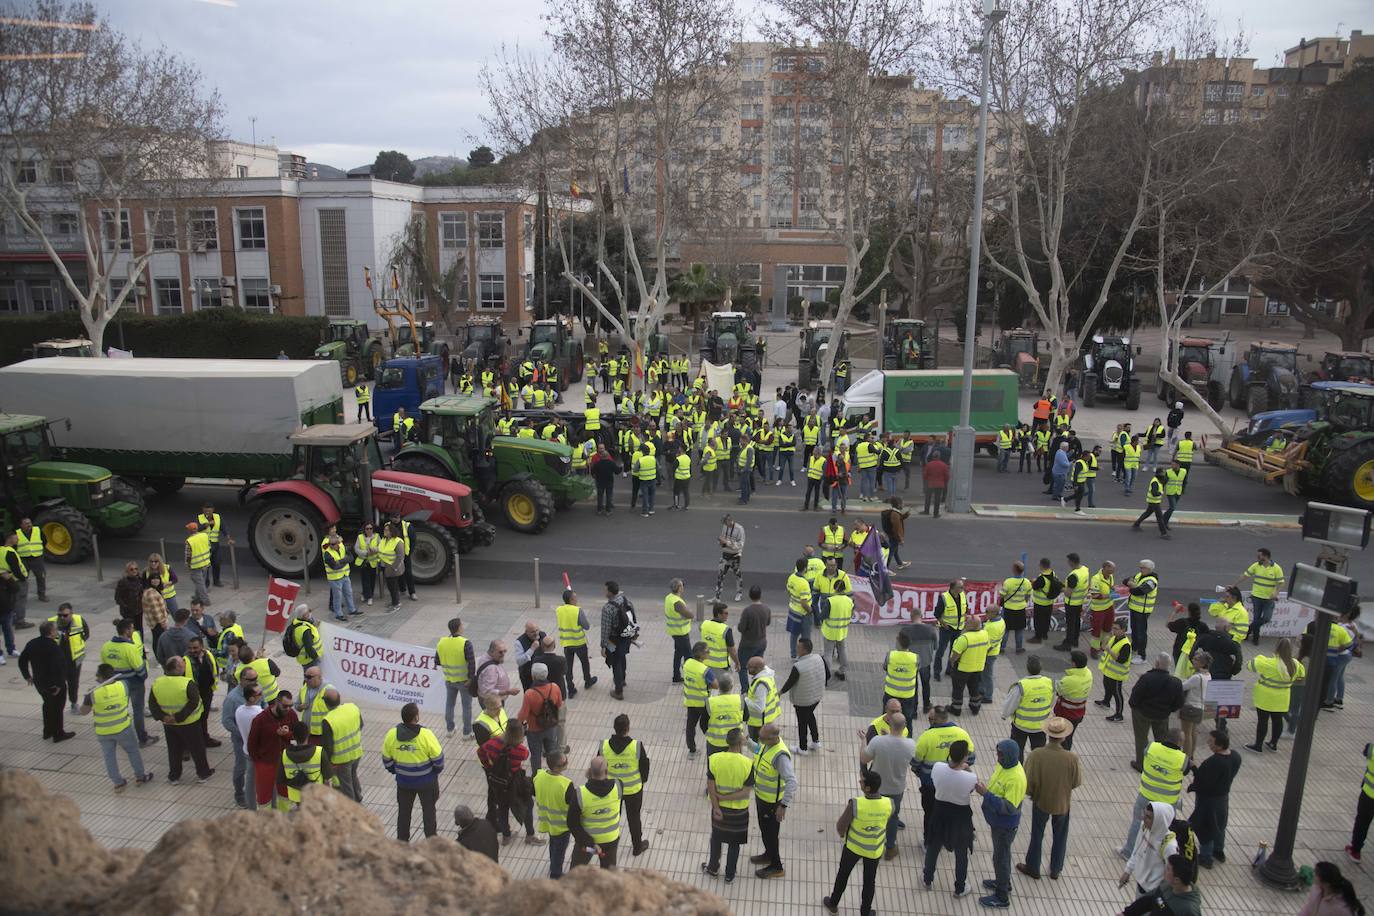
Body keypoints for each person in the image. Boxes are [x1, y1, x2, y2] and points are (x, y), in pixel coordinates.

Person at [1017, 716, 1081, 881]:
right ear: (1064, 737)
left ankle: (1033, 867)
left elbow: (1028, 781)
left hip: (1041, 801)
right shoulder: (1072, 758)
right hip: (1062, 803)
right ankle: (1056, 869)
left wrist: (1033, 793)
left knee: (1037, 834)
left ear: (1047, 734)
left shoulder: (1036, 755)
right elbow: (1076, 782)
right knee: (1060, 836)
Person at [923, 738, 977, 898]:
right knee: (961, 854)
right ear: (965, 757)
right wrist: (966, 769)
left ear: (950, 754)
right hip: (960, 817)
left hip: (940, 812)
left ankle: (927, 879)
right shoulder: (970, 778)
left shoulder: (938, 768)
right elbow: (971, 789)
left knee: (933, 847)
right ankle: (960, 887)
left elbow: (936, 780)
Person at [384, 702, 445, 842]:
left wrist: (398, 772)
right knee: (429, 813)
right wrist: (433, 773)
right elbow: (439, 760)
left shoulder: (392, 734)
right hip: (426, 782)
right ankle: (431, 843)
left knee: (404, 813)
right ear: (416, 717)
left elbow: (386, 760)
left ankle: (402, 843)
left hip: (403, 782)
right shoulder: (426, 735)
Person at [977, 738, 1027, 909]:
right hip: (997, 822)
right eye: (998, 753)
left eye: (1000, 755)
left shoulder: (1016, 778)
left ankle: (1002, 896)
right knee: (1001, 856)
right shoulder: (1004, 765)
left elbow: (1009, 808)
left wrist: (986, 794)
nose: (997, 757)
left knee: (1001, 859)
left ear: (1009, 756)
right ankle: (1003, 882)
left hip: (1005, 825)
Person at [1122, 729, 1187, 857]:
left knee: (1138, 822)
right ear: (1180, 741)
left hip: (1146, 796)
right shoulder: (1183, 759)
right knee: (1165, 829)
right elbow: (1185, 770)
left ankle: (1128, 851)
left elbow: (1145, 755)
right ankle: (1160, 856)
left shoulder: (1151, 747)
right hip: (1167, 803)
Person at [859, 711, 914, 861]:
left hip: (878, 787)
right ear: (904, 726)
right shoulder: (911, 745)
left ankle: (869, 843)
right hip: (897, 788)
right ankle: (890, 848)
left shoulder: (877, 741)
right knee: (893, 816)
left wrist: (864, 741)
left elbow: (864, 758)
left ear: (889, 724)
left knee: (873, 813)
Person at [149, 656, 214, 783]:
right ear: (177, 668)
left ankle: (174, 776)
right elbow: (194, 702)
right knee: (197, 749)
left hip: (168, 724)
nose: (185, 663)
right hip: (189, 723)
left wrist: (163, 717)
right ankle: (203, 773)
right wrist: (178, 717)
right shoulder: (187, 683)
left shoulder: (157, 683)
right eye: (182, 663)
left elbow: (152, 704)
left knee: (173, 749)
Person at [1189, 729, 1240, 868]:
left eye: (1211, 741)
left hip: (1208, 800)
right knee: (1219, 825)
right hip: (1223, 797)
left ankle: (1206, 857)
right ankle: (1218, 851)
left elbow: (1202, 781)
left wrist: (1194, 767)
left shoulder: (1213, 762)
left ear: (1219, 745)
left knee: (1205, 827)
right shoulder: (1235, 756)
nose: (1208, 743)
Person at [1129, 653, 1184, 770]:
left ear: (1157, 663)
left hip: (1142, 713)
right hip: (1162, 715)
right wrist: (1169, 710)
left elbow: (1135, 696)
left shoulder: (1147, 678)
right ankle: (1161, 762)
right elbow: (1179, 703)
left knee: (1141, 738)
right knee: (1162, 739)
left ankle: (1141, 764)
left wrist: (1135, 707)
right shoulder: (1176, 682)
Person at [21, 620, 73, 740]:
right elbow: (59, 667)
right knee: (57, 707)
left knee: (47, 705)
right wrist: (59, 684)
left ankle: (47, 731)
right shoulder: (53, 647)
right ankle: (58, 734)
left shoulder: (32, 643)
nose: (57, 631)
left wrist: (27, 675)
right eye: (55, 629)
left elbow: (22, 660)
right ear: (51, 632)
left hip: (40, 682)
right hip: (53, 684)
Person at [248, 689, 298, 811]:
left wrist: (287, 734)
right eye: (285, 706)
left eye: (290, 706)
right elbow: (252, 744)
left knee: (285, 793)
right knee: (264, 797)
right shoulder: (260, 719)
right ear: (276, 702)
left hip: (285, 762)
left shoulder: (291, 715)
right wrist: (259, 762)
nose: (288, 709)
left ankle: (284, 817)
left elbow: (297, 736)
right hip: (265, 763)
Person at [570, 755, 622, 869]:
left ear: (589, 771)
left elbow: (572, 823)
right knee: (608, 872)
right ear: (607, 771)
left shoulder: (580, 793)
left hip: (587, 842)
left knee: (576, 871)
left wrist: (589, 843)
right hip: (611, 839)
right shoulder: (618, 786)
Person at [780, 636, 827, 753]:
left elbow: (789, 683)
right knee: (810, 716)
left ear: (804, 650)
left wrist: (779, 692)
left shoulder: (798, 667)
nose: (796, 649)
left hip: (803, 701)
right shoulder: (819, 658)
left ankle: (802, 748)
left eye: (798, 647)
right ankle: (816, 741)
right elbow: (828, 675)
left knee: (802, 723)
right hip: (816, 697)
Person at [1120, 802, 1178, 897]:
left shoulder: (1169, 846)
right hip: (1141, 884)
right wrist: (1128, 871)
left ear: (1159, 821)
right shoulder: (1144, 827)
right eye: (1144, 814)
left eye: (1148, 817)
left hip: (1155, 892)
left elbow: (1172, 873)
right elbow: (1137, 849)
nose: (1143, 818)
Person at [1003, 654, 1054, 758]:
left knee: (1017, 752)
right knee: (1038, 755)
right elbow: (1051, 701)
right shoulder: (1049, 682)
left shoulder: (1021, 685)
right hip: (1040, 727)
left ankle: (1020, 768)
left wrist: (1004, 715)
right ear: (1040, 668)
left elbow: (1011, 703)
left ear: (1027, 668)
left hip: (1021, 726)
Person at [532, 753, 575, 876]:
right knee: (559, 851)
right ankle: (556, 875)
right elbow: (573, 805)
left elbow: (534, 792)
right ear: (556, 767)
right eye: (565, 762)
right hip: (561, 825)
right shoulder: (566, 784)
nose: (567, 763)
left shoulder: (539, 775)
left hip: (547, 820)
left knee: (553, 844)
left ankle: (553, 866)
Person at [222, 666, 259, 808]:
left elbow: (263, 706)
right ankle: (239, 794)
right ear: (242, 680)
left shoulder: (257, 690)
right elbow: (227, 721)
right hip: (241, 740)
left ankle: (253, 791)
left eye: (256, 679)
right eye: (251, 679)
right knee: (241, 766)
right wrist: (243, 732)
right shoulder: (232, 698)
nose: (255, 681)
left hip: (257, 739)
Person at [319, 687, 364, 802]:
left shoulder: (328, 720)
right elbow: (361, 725)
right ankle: (358, 797)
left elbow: (328, 746)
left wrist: (327, 762)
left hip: (341, 760)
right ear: (339, 698)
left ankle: (351, 806)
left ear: (325, 703)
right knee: (353, 775)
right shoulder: (352, 707)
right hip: (356, 752)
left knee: (346, 785)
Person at [1119, 855, 1202, 916]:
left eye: (1168, 869)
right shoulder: (1167, 884)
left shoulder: (1189, 910)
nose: (1164, 870)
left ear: (1177, 880)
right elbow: (1149, 900)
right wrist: (1126, 913)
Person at [518, 663, 563, 772]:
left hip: (534, 729)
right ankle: (555, 772)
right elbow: (559, 705)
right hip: (551, 726)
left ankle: (536, 776)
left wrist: (516, 723)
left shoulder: (529, 694)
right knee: (552, 752)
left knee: (536, 755)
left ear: (533, 676)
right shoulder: (554, 687)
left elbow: (523, 715)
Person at [435, 617, 476, 736]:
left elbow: (437, 661)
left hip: (449, 679)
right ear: (459, 628)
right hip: (464, 681)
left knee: (450, 704)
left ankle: (450, 729)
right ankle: (467, 732)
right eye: (462, 625)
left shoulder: (441, 642)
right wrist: (471, 679)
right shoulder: (465, 643)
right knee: (466, 707)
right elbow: (472, 663)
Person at [1235, 547, 1285, 644]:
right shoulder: (1256, 565)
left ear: (1266, 556)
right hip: (1256, 597)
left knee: (1266, 618)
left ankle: (1248, 630)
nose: (1257, 557)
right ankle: (1255, 639)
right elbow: (1245, 576)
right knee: (1256, 618)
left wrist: (1276, 593)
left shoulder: (1276, 568)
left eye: (1259, 555)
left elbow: (1281, 583)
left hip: (1268, 599)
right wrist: (1234, 585)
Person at [276, 720, 328, 809]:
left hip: (296, 795)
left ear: (293, 736)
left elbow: (280, 779)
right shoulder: (319, 751)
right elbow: (328, 776)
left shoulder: (284, 754)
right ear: (308, 735)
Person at [48, 602, 89, 713]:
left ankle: (73, 703)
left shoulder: (79, 620)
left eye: (65, 615)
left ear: (71, 614)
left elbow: (86, 634)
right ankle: (56, 705)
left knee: (73, 682)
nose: (62, 617)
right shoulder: (51, 623)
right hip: (57, 660)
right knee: (58, 683)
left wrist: (77, 643)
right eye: (59, 615)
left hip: (74, 659)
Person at [183, 636, 222, 750]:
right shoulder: (185, 661)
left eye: (195, 648)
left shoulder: (208, 655)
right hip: (193, 695)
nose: (192, 650)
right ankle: (189, 745)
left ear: (202, 647)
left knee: (203, 717)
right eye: (190, 648)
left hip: (207, 692)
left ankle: (204, 739)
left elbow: (214, 668)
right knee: (192, 720)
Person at [600, 581, 636, 701]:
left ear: (610, 592)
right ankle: (623, 679)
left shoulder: (608, 608)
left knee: (615, 663)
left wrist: (603, 645)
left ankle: (618, 691)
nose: (604, 591)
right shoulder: (625, 600)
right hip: (625, 637)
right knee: (622, 656)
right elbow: (632, 617)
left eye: (605, 590)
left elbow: (605, 629)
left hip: (613, 640)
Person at [949, 614, 990, 717]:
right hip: (978, 667)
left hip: (962, 669)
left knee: (958, 689)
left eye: (967, 622)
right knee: (974, 688)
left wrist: (952, 663)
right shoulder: (985, 634)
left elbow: (955, 655)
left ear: (970, 625)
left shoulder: (964, 638)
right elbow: (988, 648)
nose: (965, 623)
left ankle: (956, 708)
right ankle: (975, 707)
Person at [1053, 650, 1092, 751]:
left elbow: (1057, 690)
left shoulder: (1069, 680)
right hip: (1079, 713)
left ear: (1074, 663)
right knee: (1069, 736)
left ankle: (1063, 756)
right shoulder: (1088, 673)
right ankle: (1066, 753)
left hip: (1066, 714)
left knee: (1062, 739)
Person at [899, 616, 938, 714]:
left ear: (911, 617)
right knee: (926, 684)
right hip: (925, 662)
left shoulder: (905, 630)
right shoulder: (931, 630)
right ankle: (926, 706)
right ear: (921, 617)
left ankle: (914, 710)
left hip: (911, 662)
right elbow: (935, 647)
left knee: (913, 686)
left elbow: (900, 648)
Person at [1124, 560, 1160, 662]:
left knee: (1141, 633)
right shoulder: (1139, 575)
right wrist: (1132, 584)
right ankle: (1134, 648)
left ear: (1149, 569)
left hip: (1143, 611)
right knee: (1134, 631)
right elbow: (1125, 580)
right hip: (1134, 608)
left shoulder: (1151, 581)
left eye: (1143, 568)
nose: (1140, 569)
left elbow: (1138, 591)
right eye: (1140, 567)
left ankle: (1142, 656)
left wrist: (1131, 586)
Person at [1178, 652, 1211, 764]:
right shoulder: (1208, 675)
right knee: (1193, 732)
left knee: (1186, 733)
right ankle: (1191, 755)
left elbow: (1182, 687)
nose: (1193, 660)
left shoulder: (1197, 677)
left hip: (1190, 707)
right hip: (1200, 707)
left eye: (1196, 659)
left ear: (1202, 663)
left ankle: (1186, 757)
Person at [1300, 861, 1366, 916]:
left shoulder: (1341, 909)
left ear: (1327, 883)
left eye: (1316, 874)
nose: (1313, 875)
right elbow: (1308, 909)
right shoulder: (1316, 889)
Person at [1097, 619, 1132, 722]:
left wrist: (1109, 651)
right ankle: (1106, 702)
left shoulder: (1126, 644)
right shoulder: (1113, 638)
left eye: (1116, 629)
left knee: (1117, 693)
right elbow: (1103, 647)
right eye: (1113, 628)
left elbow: (1121, 660)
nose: (1114, 630)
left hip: (1117, 674)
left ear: (1123, 630)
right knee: (1107, 686)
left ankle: (1119, 714)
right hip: (1108, 670)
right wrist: (1105, 640)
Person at [820, 576, 854, 682]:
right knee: (842, 651)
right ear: (844, 589)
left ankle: (826, 675)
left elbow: (822, 616)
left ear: (835, 588)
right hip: (842, 631)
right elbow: (851, 614)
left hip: (830, 632)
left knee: (828, 653)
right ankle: (842, 671)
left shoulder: (830, 601)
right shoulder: (849, 601)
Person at [882, 631, 920, 724]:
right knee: (907, 721)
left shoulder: (890, 655)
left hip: (890, 693)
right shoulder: (915, 658)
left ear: (898, 642)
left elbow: (885, 667)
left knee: (886, 720)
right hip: (908, 695)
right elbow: (917, 670)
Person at [934, 580, 968, 678]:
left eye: (962, 587)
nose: (962, 589)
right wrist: (944, 624)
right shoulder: (944, 598)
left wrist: (965, 621)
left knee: (954, 651)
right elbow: (937, 614)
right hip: (947, 629)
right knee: (941, 651)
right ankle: (937, 672)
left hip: (958, 628)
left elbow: (965, 609)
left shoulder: (962, 595)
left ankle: (950, 670)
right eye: (960, 587)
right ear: (953, 588)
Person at [744, 656, 780, 741]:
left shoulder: (761, 685)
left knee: (757, 744)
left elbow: (760, 708)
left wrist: (746, 700)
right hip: (765, 719)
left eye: (750, 666)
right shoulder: (767, 676)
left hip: (758, 723)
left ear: (757, 669)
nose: (747, 667)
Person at [323, 533, 356, 620]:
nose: (332, 545)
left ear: (338, 543)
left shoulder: (342, 547)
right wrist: (345, 561)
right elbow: (334, 566)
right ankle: (339, 614)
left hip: (345, 575)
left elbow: (351, 558)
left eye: (334, 543)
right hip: (335, 579)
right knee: (337, 597)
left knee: (349, 593)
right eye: (331, 544)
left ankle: (352, 610)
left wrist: (340, 561)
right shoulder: (327, 553)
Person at [1132, 470, 1171, 537]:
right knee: (1160, 517)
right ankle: (1164, 533)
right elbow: (1154, 493)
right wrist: (1160, 493)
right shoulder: (1155, 482)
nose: (1163, 475)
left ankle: (1136, 524)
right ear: (1158, 474)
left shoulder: (1158, 480)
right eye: (1162, 474)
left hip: (1154, 501)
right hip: (1154, 502)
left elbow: (1165, 481)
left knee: (1147, 513)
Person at [716, 515, 745, 603]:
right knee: (720, 575)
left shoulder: (739, 529)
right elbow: (722, 538)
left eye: (726, 523)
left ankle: (739, 593)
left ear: (730, 521)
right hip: (725, 554)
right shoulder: (725, 527)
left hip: (735, 556)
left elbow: (740, 545)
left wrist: (727, 543)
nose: (725, 525)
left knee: (737, 574)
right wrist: (721, 542)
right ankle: (717, 596)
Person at [183, 521, 212, 606]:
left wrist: (187, 565)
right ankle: (197, 597)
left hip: (195, 565)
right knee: (200, 582)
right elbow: (209, 547)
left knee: (200, 584)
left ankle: (206, 600)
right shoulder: (204, 536)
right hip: (205, 563)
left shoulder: (189, 541)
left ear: (189, 531)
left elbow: (188, 555)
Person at [923, 451, 949, 517]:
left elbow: (925, 475)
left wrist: (927, 479)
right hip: (940, 484)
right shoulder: (944, 465)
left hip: (930, 483)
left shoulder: (929, 464)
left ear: (933, 456)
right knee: (937, 499)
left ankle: (926, 511)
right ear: (939, 456)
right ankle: (936, 513)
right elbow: (947, 476)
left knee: (928, 498)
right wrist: (944, 481)